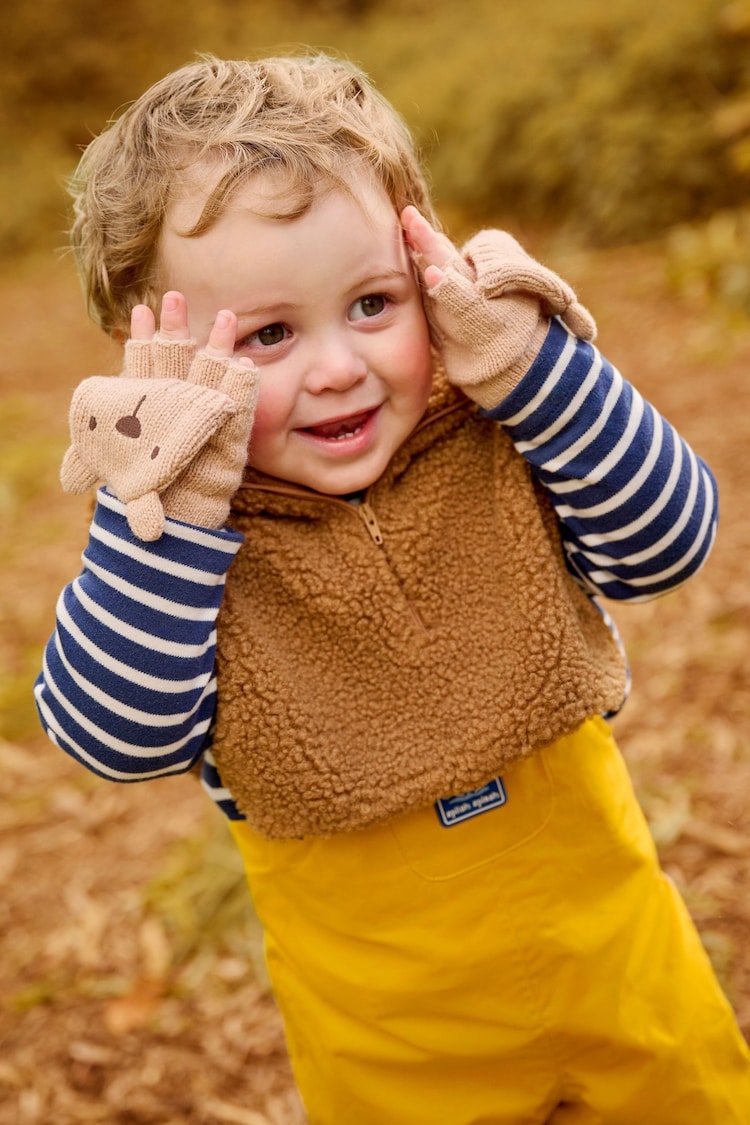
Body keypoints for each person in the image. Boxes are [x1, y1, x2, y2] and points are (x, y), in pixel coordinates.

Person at [35, 54, 750, 1124]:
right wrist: (168, 499)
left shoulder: (503, 436)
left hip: (629, 983)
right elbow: (113, 737)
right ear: (161, 359)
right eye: (270, 334)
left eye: (373, 303)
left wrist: (532, 369)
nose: (336, 367)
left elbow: (673, 541)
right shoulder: (178, 542)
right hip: (396, 1060)